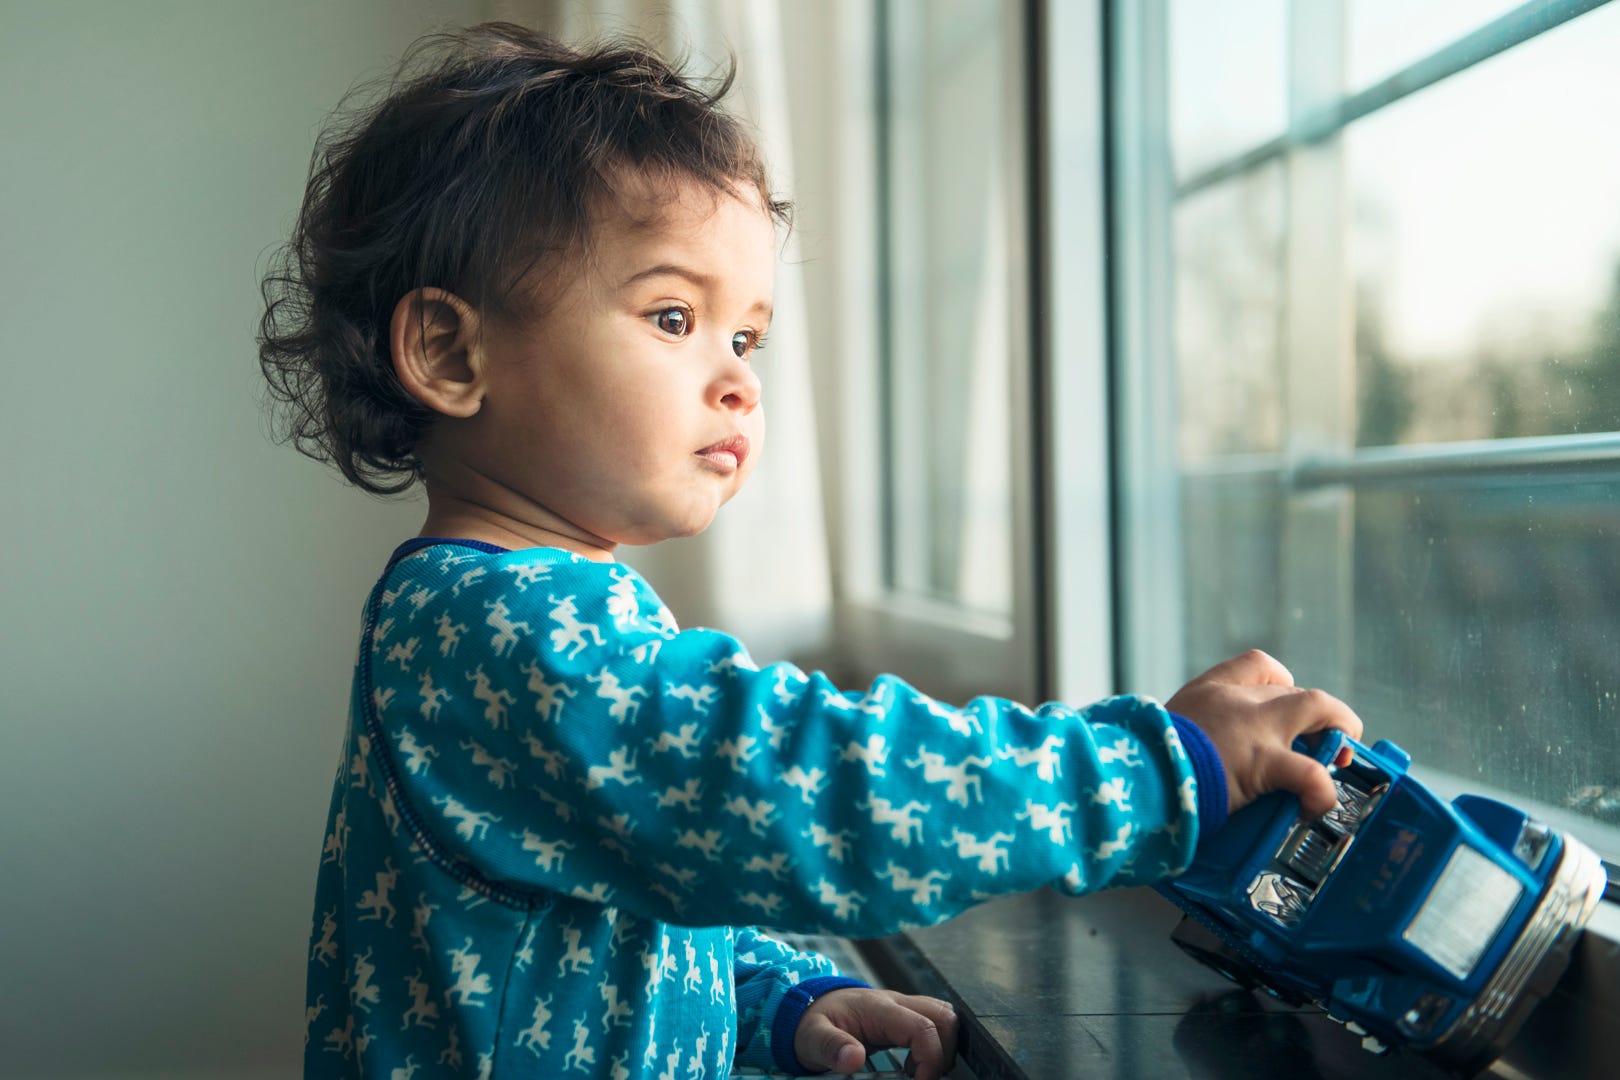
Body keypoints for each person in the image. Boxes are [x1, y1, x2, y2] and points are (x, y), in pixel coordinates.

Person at [259, 22, 1362, 1079]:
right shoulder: (490, 631)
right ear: (451, 354)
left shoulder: (542, 610)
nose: (739, 376)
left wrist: (775, 1000)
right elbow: (804, 787)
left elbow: (612, 903)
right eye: (673, 319)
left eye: (748, 336)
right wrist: (1158, 769)